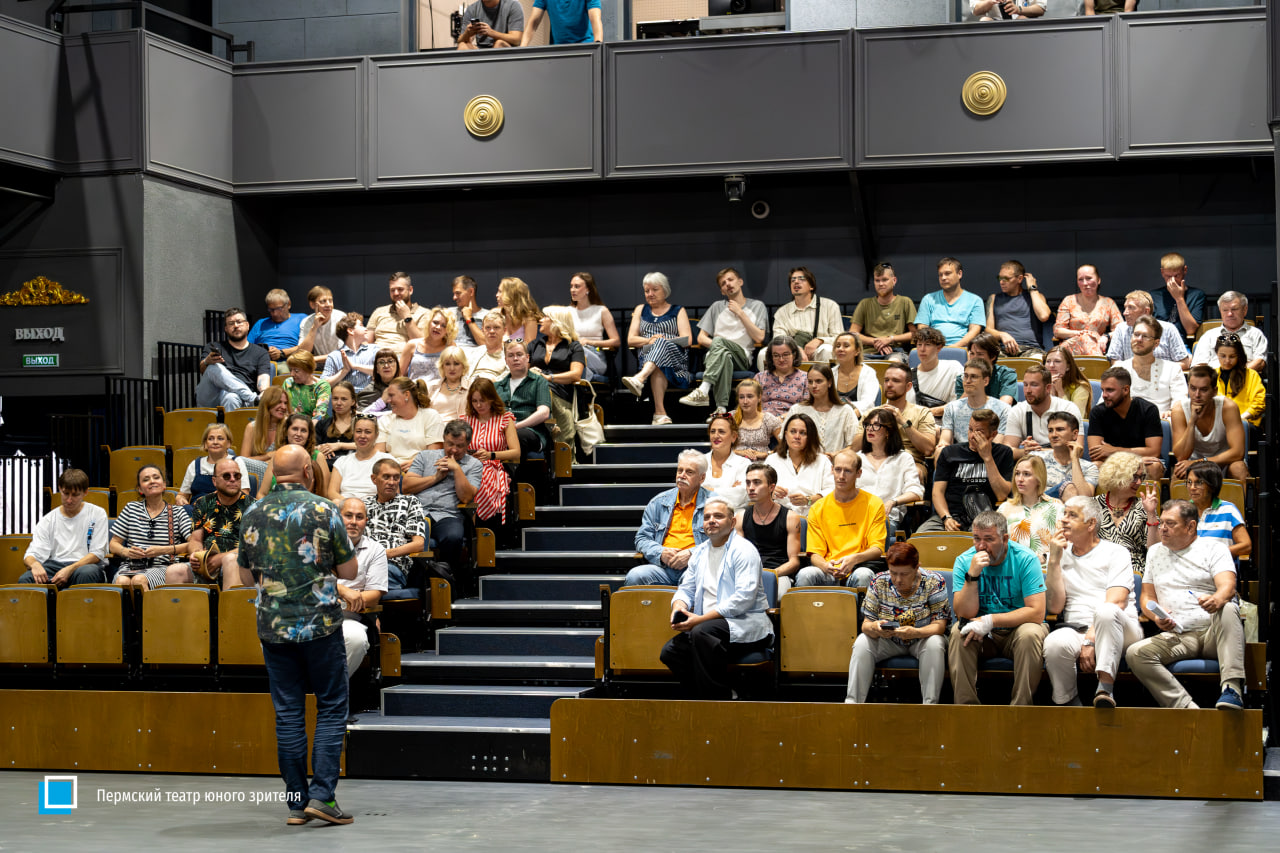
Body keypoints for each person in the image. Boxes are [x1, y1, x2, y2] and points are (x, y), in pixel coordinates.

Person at [238, 444, 358, 825]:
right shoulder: (324, 509)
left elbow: (245, 577)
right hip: (320, 625)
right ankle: (322, 797)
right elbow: (350, 572)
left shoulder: (252, 512)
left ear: (272, 473)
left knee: (288, 712)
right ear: (308, 470)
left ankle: (295, 803)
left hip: (273, 627)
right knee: (331, 706)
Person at [1125, 500, 1246, 711]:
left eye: (1170, 523)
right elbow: (1146, 597)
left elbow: (1228, 586)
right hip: (1178, 634)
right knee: (1135, 653)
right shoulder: (1155, 552)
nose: (1163, 528)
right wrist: (1155, 616)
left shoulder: (1214, 549)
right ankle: (1185, 707)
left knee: (1227, 607)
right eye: (1162, 523)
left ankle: (1232, 689)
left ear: (1190, 526)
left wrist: (1217, 599)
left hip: (1213, 632)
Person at [660, 497, 772, 700]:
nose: (711, 520)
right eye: (707, 517)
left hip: (744, 623)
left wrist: (700, 620)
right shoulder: (699, 553)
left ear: (732, 522)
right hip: (708, 628)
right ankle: (715, 694)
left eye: (718, 516)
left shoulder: (744, 550)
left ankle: (715, 701)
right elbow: (686, 588)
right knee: (670, 652)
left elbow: (743, 599)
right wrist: (678, 607)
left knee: (702, 633)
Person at [1043, 497, 1141, 707]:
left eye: (1072, 515)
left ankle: (1105, 690)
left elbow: (1117, 602)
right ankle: (1068, 704)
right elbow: (1055, 607)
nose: (1064, 520)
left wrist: (1090, 639)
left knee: (1106, 612)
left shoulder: (1116, 552)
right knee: (1054, 643)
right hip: (1076, 627)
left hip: (1120, 627)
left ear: (1091, 524)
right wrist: (1054, 561)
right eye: (1064, 514)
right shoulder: (1059, 554)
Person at [948, 511, 1048, 705]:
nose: (981, 546)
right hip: (982, 636)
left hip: (1017, 630)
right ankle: (966, 710)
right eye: (976, 538)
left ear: (1005, 539)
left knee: (1030, 634)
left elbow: (1036, 612)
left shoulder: (1025, 559)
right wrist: (972, 576)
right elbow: (963, 614)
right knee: (958, 632)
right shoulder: (964, 561)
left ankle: (1020, 710)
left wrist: (990, 620)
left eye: (989, 539)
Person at [845, 542, 950, 705]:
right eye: (893, 573)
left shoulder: (934, 581)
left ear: (917, 567)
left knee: (935, 643)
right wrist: (875, 628)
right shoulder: (879, 581)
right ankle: (852, 705)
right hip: (888, 640)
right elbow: (866, 624)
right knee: (862, 642)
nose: (898, 580)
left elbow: (940, 625)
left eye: (904, 574)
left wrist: (916, 633)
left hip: (921, 638)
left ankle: (930, 706)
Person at [404, 420, 483, 586]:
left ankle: (446, 580)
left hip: (448, 515)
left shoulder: (474, 465)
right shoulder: (425, 456)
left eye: (459, 446)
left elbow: (466, 497)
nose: (453, 450)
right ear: (444, 439)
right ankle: (411, 582)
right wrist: (435, 478)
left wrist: (457, 469)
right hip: (418, 513)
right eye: (450, 444)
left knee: (453, 537)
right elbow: (406, 486)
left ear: (468, 444)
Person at [679, 268, 768, 413]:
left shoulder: (757, 306)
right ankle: (721, 409)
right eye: (723, 283)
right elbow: (701, 338)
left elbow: (759, 337)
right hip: (716, 356)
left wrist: (740, 313)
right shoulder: (716, 307)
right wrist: (719, 345)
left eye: (731, 280)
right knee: (724, 354)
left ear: (740, 282)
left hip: (742, 357)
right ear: (722, 291)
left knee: (720, 342)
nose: (728, 284)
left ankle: (703, 389)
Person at [795, 449, 887, 590]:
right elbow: (815, 553)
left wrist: (854, 559)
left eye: (848, 471)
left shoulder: (874, 504)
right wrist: (825, 566)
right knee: (805, 574)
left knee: (864, 575)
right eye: (838, 470)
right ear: (832, 470)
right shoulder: (818, 507)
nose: (841, 476)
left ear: (858, 473)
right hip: (829, 569)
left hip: (859, 566)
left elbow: (877, 549)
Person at [919, 409, 1013, 533]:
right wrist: (946, 518)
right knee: (921, 537)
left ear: (993, 434)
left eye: (979, 432)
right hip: (950, 515)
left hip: (984, 518)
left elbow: (1001, 494)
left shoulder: (1003, 453)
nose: (972, 436)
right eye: (970, 429)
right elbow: (937, 492)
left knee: (982, 538)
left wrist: (987, 457)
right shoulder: (950, 452)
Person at [624, 450, 709, 586]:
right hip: (663, 568)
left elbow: (722, 541)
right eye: (680, 470)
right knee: (635, 576)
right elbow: (642, 539)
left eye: (689, 472)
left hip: (695, 567)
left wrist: (692, 554)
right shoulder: (658, 502)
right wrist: (661, 552)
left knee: (691, 580)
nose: (682, 475)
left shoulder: (714, 504)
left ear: (702, 478)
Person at [622, 271, 693, 426]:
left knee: (660, 344)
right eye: (647, 291)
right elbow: (631, 339)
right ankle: (659, 413)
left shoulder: (677, 310)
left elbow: (687, 340)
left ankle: (640, 379)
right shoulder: (641, 309)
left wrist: (664, 340)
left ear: (665, 290)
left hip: (675, 360)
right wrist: (650, 340)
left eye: (655, 290)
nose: (650, 294)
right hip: (647, 357)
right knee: (658, 358)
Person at [17, 468, 109, 586]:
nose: (69, 500)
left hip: (84, 565)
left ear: (85, 492)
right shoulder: (48, 520)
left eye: (75, 495)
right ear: (60, 489)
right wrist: (35, 565)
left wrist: (70, 569)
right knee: (26, 579)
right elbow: (31, 554)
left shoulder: (97, 514)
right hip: (55, 566)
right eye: (66, 494)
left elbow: (97, 554)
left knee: (86, 573)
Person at [110, 465, 192, 591]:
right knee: (122, 581)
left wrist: (163, 550)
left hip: (163, 566)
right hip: (130, 566)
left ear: (164, 485)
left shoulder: (177, 512)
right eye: (146, 479)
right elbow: (113, 544)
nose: (152, 481)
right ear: (140, 489)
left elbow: (193, 544)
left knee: (139, 580)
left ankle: (149, 605)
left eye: (156, 477)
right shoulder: (131, 508)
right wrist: (126, 552)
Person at [180, 457, 253, 590]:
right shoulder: (203, 503)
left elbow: (254, 547)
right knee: (175, 571)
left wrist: (220, 559)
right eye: (226, 476)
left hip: (241, 564)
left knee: (231, 562)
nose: (233, 479)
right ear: (214, 481)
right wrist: (197, 555)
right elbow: (195, 539)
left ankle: (229, 604)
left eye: (237, 476)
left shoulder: (254, 507)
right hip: (208, 563)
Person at [335, 498, 388, 683]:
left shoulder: (375, 550)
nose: (353, 522)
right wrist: (342, 590)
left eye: (359, 517)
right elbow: (310, 582)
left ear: (366, 521)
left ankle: (329, 692)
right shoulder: (320, 544)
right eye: (348, 516)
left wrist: (336, 599)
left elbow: (374, 595)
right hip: (312, 615)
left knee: (356, 639)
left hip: (348, 618)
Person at [855, 406, 924, 542]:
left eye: (876, 425)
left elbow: (916, 491)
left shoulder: (903, 458)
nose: (869, 429)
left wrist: (893, 501)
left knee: (874, 532)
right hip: (857, 517)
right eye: (867, 425)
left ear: (888, 431)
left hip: (886, 518)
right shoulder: (858, 458)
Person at [1170, 365, 1249, 481]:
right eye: (1193, 388)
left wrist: (1200, 462)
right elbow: (1181, 456)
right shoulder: (1179, 410)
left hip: (1224, 463)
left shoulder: (1228, 407)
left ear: (1214, 391)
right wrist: (1192, 422)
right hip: (1192, 465)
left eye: (1204, 390)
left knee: (1239, 468)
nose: (1197, 395)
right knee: (1178, 475)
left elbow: (1238, 453)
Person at [460, 378, 521, 525]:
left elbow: (516, 452)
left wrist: (491, 455)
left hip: (494, 466)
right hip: (468, 466)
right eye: (474, 401)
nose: (478, 405)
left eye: (483, 400)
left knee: (482, 479)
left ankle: (481, 526)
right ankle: (469, 529)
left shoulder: (505, 419)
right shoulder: (465, 420)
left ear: (492, 399)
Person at [1087, 366, 1164, 480]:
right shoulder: (1097, 412)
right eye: (1103, 390)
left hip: (1142, 462)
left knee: (1154, 467)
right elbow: (1096, 455)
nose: (1104, 395)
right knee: (1095, 466)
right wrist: (1132, 458)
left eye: (1110, 390)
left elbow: (1154, 452)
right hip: (1114, 463)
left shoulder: (1148, 410)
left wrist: (1114, 451)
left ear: (1126, 390)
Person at [736, 462, 803, 594]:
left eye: (757, 483)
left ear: (771, 487)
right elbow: (738, 556)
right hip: (748, 574)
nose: (751, 488)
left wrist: (769, 575)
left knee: (779, 595)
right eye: (748, 483)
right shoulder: (741, 517)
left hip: (779, 573)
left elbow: (794, 562)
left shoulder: (790, 517)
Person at [365, 458, 429, 591]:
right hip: (364, 565)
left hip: (393, 565)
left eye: (396, 478)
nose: (391, 482)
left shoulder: (410, 502)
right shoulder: (365, 505)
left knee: (369, 578)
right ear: (374, 479)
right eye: (386, 477)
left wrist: (384, 554)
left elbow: (419, 544)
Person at [1093, 451, 1161, 575]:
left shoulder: (1144, 506)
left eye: (1141, 477)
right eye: (1134, 477)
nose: (1139, 482)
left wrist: (1151, 514)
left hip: (1133, 571)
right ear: (1117, 477)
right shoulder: (1093, 505)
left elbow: (1156, 550)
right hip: (1098, 570)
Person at [528, 305, 587, 445]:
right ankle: (548, 427)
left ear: (556, 322)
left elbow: (576, 374)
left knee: (546, 389)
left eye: (545, 317)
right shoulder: (535, 345)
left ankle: (550, 427)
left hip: (560, 393)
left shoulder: (573, 346)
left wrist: (549, 378)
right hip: (533, 391)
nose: (541, 320)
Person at [763, 265, 843, 367]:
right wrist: (796, 348)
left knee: (827, 350)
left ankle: (827, 377)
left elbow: (839, 337)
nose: (796, 282)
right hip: (791, 352)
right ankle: (769, 378)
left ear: (811, 286)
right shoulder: (782, 312)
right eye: (793, 280)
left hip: (819, 349)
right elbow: (779, 339)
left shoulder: (830, 306)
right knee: (763, 353)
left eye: (801, 279)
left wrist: (819, 340)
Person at [867, 362, 936, 479]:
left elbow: (928, 449)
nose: (889, 384)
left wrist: (903, 422)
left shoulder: (922, 412)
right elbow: (856, 447)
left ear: (908, 386)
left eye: (896, 381)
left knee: (914, 472)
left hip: (912, 462)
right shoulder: (871, 414)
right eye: (886, 380)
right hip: (875, 459)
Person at [998, 365, 1082, 459]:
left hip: (1063, 464)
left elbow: (1078, 451)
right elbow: (1008, 451)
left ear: (1048, 388)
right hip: (1031, 464)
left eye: (1034, 385)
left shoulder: (1068, 408)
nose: (1028, 390)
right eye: (1025, 385)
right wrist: (1024, 452)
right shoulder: (1017, 410)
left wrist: (1037, 451)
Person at [196, 307, 271, 410]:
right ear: (226, 329)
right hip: (213, 396)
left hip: (241, 400)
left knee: (231, 397)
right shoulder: (213, 346)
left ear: (247, 325)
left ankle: (249, 401)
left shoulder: (260, 353)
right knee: (213, 367)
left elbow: (263, 380)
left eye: (239, 322)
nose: (235, 326)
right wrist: (206, 362)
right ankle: (253, 399)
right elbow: (203, 371)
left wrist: (263, 392)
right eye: (231, 323)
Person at [1113, 315, 1188, 419]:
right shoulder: (1118, 369)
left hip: (1160, 421)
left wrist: (1172, 411)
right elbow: (1103, 403)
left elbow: (1180, 400)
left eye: (1145, 336)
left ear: (1156, 343)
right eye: (1136, 334)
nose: (1139, 339)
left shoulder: (1172, 369)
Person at [996, 455, 1062, 568]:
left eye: (1026, 474)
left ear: (1039, 478)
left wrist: (1045, 557)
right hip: (1013, 570)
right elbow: (996, 544)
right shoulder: (1004, 508)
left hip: (1045, 570)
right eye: (1017, 473)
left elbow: (1065, 544)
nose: (1020, 479)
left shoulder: (1057, 507)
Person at [495, 340, 554, 464]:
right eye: (511, 355)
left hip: (531, 431)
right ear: (506, 360)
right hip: (501, 430)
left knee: (519, 436)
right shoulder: (497, 386)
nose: (515, 359)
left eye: (519, 354)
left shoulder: (539, 381)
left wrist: (516, 426)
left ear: (527, 357)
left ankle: (513, 475)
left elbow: (544, 413)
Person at [765, 412, 834, 518]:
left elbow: (832, 490)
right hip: (779, 517)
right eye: (793, 431)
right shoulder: (772, 460)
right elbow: (760, 489)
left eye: (803, 433)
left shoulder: (822, 461)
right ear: (785, 434)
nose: (797, 436)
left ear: (810, 437)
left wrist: (808, 500)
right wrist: (771, 492)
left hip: (813, 517)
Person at [937, 358, 1010, 453]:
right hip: (959, 455)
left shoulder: (1003, 409)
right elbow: (945, 440)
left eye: (973, 377)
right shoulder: (952, 408)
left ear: (986, 381)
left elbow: (997, 446)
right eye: (965, 376)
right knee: (939, 451)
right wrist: (942, 446)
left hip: (988, 454)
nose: (968, 381)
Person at [1185, 460, 1250, 564]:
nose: (1192, 488)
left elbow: (1246, 546)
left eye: (1199, 483)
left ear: (1212, 485)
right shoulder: (1182, 511)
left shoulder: (1228, 510)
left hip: (1219, 567)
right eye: (1189, 482)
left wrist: (1217, 554)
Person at [849, 262, 916, 361]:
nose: (881, 284)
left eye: (885, 280)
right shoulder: (865, 303)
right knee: (855, 362)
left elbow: (915, 334)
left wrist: (890, 339)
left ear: (894, 280)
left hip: (895, 351)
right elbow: (853, 334)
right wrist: (876, 342)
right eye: (877, 280)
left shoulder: (905, 302)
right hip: (868, 352)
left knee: (894, 362)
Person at [786, 365, 859, 455]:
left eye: (818, 381)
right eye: (810, 382)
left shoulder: (845, 411)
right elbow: (785, 441)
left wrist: (835, 454)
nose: (813, 386)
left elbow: (854, 446)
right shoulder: (797, 409)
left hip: (836, 461)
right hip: (804, 461)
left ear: (829, 383)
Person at [375, 376, 445, 470]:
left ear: (406, 395)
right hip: (392, 470)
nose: (388, 400)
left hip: (422, 469)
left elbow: (434, 454)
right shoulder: (385, 419)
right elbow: (379, 454)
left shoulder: (431, 416)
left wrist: (415, 464)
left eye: (392, 395)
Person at [1105, 290, 1190, 367]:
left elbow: (1184, 363)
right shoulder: (1121, 329)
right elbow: (1114, 361)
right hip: (1131, 377)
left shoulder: (1168, 329)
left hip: (1162, 377)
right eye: (1125, 307)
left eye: (1131, 307)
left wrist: (1155, 370)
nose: (1125, 313)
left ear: (1146, 311)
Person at [1054, 263, 1122, 357]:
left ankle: (1096, 363)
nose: (1085, 283)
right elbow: (1058, 331)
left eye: (1089, 278)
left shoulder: (1108, 303)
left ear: (1098, 280)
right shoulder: (1069, 300)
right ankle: (1098, 364)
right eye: (1080, 280)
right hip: (1071, 347)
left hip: (1097, 345)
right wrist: (1080, 334)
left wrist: (1106, 337)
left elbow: (1120, 330)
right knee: (1085, 339)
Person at [914, 257, 984, 348]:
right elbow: (922, 329)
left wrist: (952, 348)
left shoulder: (975, 300)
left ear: (959, 274)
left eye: (947, 273)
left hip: (962, 349)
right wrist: (936, 348)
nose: (943, 278)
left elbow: (974, 331)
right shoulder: (928, 299)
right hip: (933, 349)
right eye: (940, 275)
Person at [258, 413, 331, 499]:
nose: (298, 434)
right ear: (286, 431)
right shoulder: (278, 456)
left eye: (303, 430)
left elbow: (324, 494)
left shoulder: (318, 457)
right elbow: (261, 494)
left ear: (309, 435)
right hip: (275, 504)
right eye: (295, 429)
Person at [1191, 291, 1268, 372]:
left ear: (1245, 310)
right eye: (1225, 310)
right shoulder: (1208, 336)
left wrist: (1235, 374)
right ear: (1220, 311)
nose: (1229, 314)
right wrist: (1220, 376)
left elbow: (1260, 362)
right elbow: (1198, 366)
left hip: (1245, 377)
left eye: (1234, 309)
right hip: (1214, 378)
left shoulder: (1255, 334)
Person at [986, 261, 1050, 357]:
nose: (1001, 282)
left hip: (1032, 349)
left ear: (1020, 279)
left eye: (1006, 278)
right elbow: (988, 330)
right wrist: (1002, 334)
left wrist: (1033, 288)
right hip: (1003, 349)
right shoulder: (994, 298)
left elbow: (1044, 316)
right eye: (1000, 278)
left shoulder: (1036, 296)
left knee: (1037, 360)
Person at [176, 423, 250, 505]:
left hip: (228, 508)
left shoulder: (237, 462)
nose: (215, 442)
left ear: (228, 443)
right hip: (197, 510)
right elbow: (183, 494)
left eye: (220, 438)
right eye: (211, 439)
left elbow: (244, 493)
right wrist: (180, 498)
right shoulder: (195, 464)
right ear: (205, 444)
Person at [328, 414, 396, 503]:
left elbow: (393, 494)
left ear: (376, 435)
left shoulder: (387, 460)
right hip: (346, 505)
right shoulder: (342, 462)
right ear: (353, 433)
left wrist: (365, 506)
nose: (362, 436)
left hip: (375, 506)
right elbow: (332, 492)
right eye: (358, 431)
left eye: (368, 432)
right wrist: (352, 504)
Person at [1033, 411, 1098, 500]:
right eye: (1050, 431)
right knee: (1067, 488)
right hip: (1038, 504)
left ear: (1075, 434)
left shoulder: (1089, 468)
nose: (1054, 435)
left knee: (1069, 488)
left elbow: (1085, 499)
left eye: (1060, 429)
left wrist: (1075, 459)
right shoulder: (1035, 459)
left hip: (1070, 507)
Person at [569, 271, 621, 378]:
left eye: (577, 286)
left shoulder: (601, 311)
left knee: (579, 351)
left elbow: (616, 341)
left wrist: (590, 342)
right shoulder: (568, 311)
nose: (572, 290)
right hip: (573, 352)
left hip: (595, 353)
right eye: (571, 286)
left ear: (588, 289)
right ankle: (584, 376)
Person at [909, 325, 963, 418]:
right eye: (919, 344)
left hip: (944, 423)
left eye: (927, 345)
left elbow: (961, 402)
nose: (922, 349)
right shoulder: (908, 375)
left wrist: (929, 412)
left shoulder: (953, 367)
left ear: (939, 348)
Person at [319, 312, 377, 397]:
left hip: (368, 398)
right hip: (344, 399)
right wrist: (344, 371)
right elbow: (322, 386)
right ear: (350, 331)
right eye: (361, 325)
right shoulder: (334, 356)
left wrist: (355, 366)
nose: (366, 329)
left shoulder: (373, 350)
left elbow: (381, 371)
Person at [248, 288, 308, 368]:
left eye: (279, 309)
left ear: (288, 304)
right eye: (271, 309)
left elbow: (308, 347)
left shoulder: (301, 319)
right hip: (262, 362)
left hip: (289, 362)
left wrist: (282, 353)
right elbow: (247, 347)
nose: (275, 313)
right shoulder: (261, 323)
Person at [951, 333, 1017, 406]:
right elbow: (960, 407)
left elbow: (1004, 405)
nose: (974, 358)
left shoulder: (1006, 374)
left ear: (993, 356)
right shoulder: (963, 378)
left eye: (980, 354)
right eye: (972, 353)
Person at [367, 271, 429, 349]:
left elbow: (422, 345)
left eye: (400, 289)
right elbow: (366, 341)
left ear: (410, 290)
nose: (396, 293)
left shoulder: (425, 313)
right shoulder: (379, 311)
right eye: (392, 290)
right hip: (377, 354)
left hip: (403, 355)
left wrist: (407, 317)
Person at [241, 386, 292, 480]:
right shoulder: (252, 427)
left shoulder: (288, 426)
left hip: (278, 473)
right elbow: (244, 460)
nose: (283, 407)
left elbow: (287, 459)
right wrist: (269, 455)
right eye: (279, 402)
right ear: (268, 403)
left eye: (285, 403)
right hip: (255, 473)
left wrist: (263, 461)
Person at [1151, 252, 1206, 338]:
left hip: (1182, 341)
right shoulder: (1153, 296)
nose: (1173, 280)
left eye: (1177, 275)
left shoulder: (1196, 295)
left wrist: (1179, 298)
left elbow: (1191, 330)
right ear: (1162, 272)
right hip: (1159, 341)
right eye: (1168, 276)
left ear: (1185, 270)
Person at [1214, 333, 1264, 426]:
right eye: (1223, 356)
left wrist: (1240, 418)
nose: (1227, 361)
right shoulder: (1211, 375)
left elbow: (1259, 403)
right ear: (1217, 354)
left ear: (1239, 355)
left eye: (1232, 356)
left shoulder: (1251, 375)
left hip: (1245, 423)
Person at [400, 306, 457, 388]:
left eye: (444, 326)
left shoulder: (450, 347)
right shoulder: (412, 345)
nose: (438, 327)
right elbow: (399, 375)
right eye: (435, 322)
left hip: (439, 391)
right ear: (429, 323)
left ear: (449, 330)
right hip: (414, 391)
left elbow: (454, 376)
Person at [703, 413, 749, 511]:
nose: (716, 436)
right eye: (712, 431)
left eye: (721, 432)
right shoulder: (699, 461)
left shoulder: (744, 464)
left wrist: (708, 490)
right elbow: (691, 494)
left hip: (734, 516)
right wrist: (729, 491)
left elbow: (740, 496)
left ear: (734, 437)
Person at [755, 336, 807, 419]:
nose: (781, 359)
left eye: (785, 355)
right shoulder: (760, 377)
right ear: (771, 357)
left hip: (792, 421)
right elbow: (751, 404)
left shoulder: (805, 378)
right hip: (762, 420)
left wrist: (781, 419)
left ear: (794, 355)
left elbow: (807, 408)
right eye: (776, 355)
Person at [831, 332, 880, 419]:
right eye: (838, 346)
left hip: (861, 419)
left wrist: (849, 416)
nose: (840, 349)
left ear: (857, 351)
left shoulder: (868, 373)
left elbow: (868, 402)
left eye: (846, 346)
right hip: (834, 418)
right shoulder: (830, 373)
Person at [731, 378, 781, 463]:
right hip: (735, 464)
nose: (745, 401)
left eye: (750, 396)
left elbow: (787, 446)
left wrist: (767, 454)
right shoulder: (730, 418)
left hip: (763, 465)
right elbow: (719, 448)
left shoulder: (768, 419)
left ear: (759, 397)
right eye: (741, 397)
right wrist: (739, 452)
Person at [521, 0, 602, 45]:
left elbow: (595, 19)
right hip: (558, 49)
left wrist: (598, 46)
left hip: (585, 46)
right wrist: (522, 49)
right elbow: (533, 23)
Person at [281, 351, 331, 422]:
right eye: (290, 370)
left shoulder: (321, 386)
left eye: (296, 370)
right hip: (291, 424)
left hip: (313, 425)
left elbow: (319, 415)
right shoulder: (288, 383)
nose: (292, 374)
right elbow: (282, 409)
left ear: (308, 370)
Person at [1044, 345, 1093, 416]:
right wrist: (1051, 392)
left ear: (1068, 366)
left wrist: (1060, 392)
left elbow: (1075, 417)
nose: (1051, 365)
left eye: (1057, 361)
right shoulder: (1041, 385)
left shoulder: (1081, 387)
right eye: (1048, 361)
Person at [315, 380, 357, 463]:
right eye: (335, 398)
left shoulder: (360, 423)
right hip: (327, 466)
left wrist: (340, 445)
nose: (338, 403)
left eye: (344, 399)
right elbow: (311, 446)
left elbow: (370, 445)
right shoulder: (322, 424)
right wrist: (319, 448)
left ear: (352, 402)